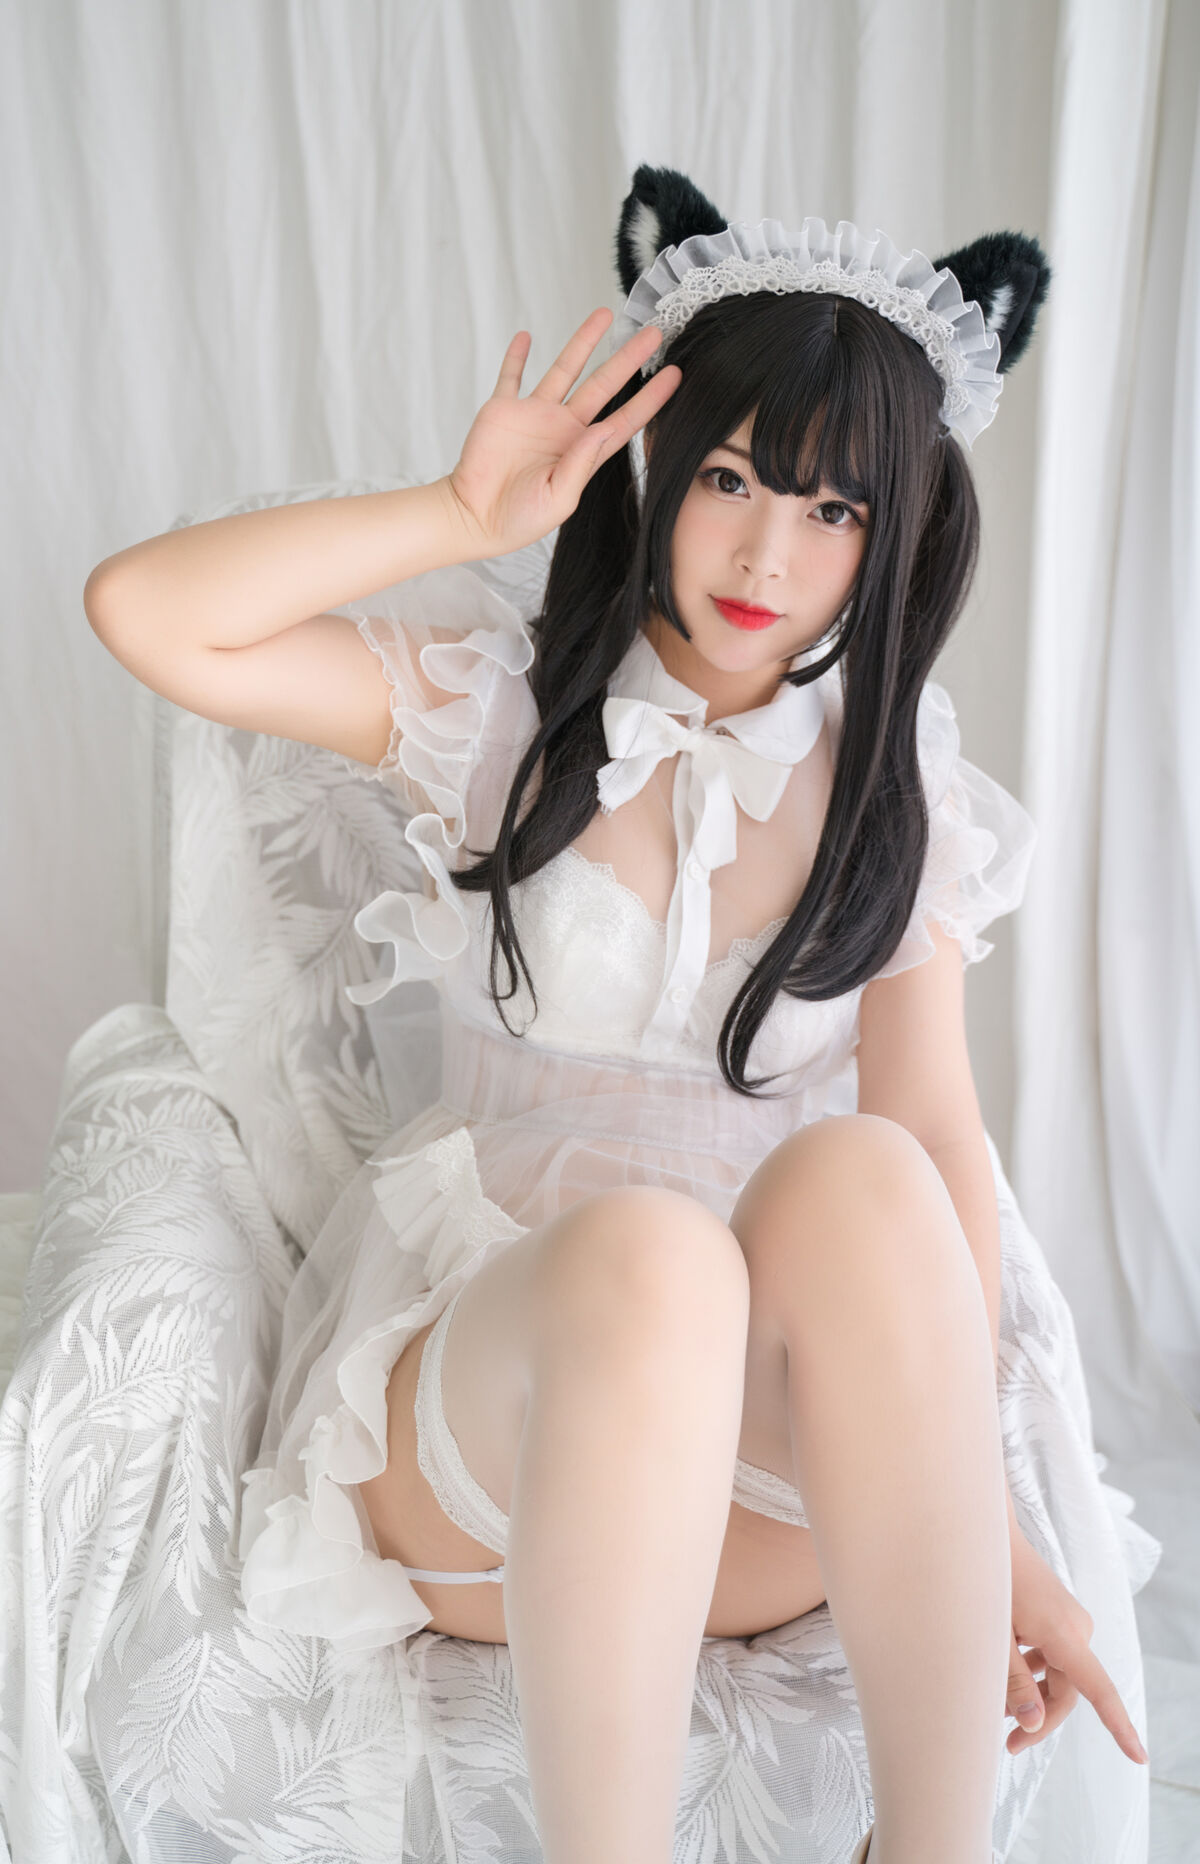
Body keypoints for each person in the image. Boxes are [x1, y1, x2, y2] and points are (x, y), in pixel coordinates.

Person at [80, 165, 1149, 1864]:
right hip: (496, 1455)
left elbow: (940, 1142)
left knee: (869, 1171)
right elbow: (148, 614)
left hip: (765, 1502)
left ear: (893, 539)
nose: (767, 553)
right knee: (659, 1258)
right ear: (655, 459)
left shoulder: (896, 792)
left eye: (833, 512)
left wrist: (996, 1535)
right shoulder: (505, 719)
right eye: (729, 478)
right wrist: (458, 513)